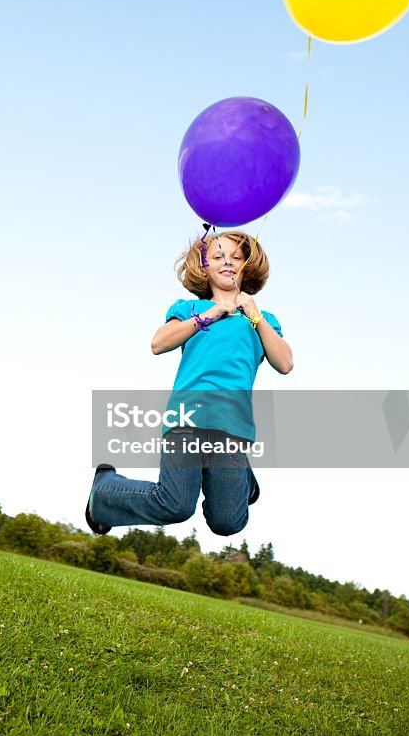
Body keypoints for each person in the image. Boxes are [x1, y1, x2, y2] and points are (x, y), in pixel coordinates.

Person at [85, 230, 293, 537]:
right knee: (176, 505)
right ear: (203, 266)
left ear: (246, 267)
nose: (228, 263)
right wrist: (210, 314)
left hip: (233, 426)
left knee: (227, 522)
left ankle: (243, 477)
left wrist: (256, 317)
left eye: (237, 257)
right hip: (186, 418)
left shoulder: (262, 320)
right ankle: (105, 491)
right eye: (219, 257)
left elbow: (285, 364)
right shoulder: (187, 309)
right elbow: (158, 344)